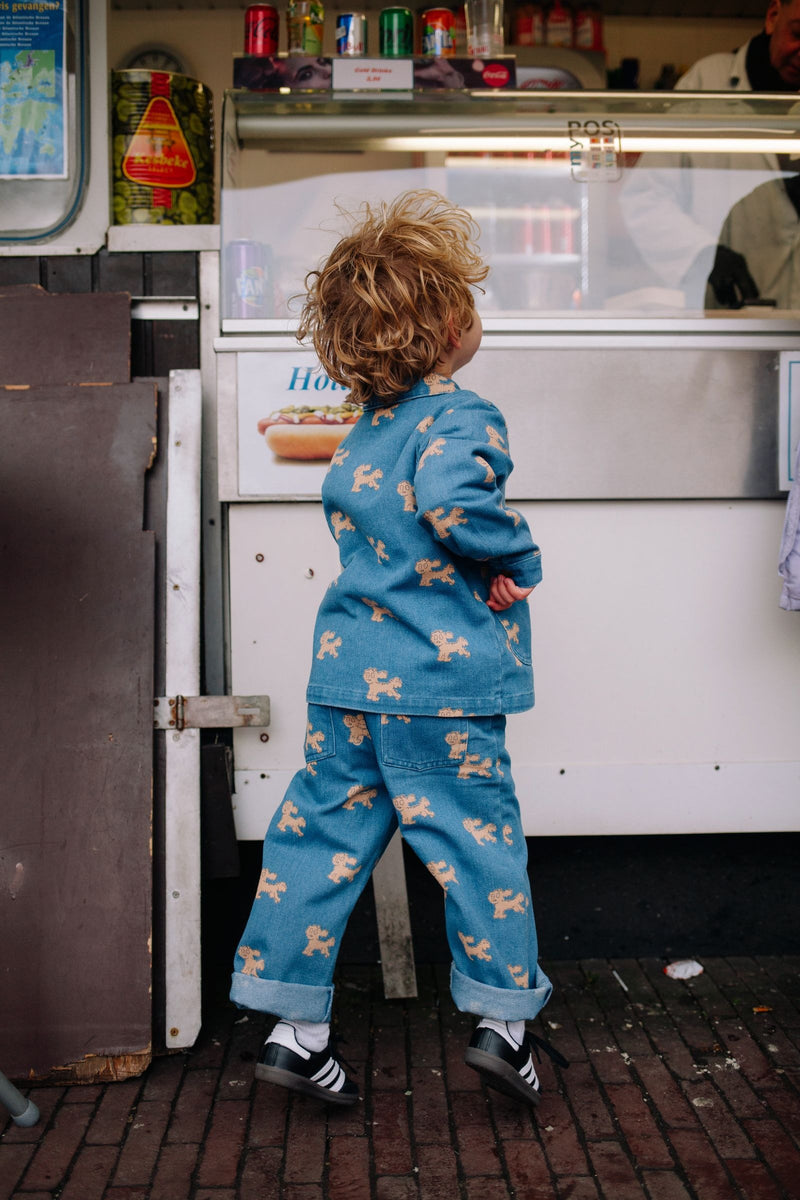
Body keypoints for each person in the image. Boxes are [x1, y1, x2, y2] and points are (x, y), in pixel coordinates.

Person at [230, 189, 565, 1108]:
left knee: (316, 841)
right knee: (477, 849)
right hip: (439, 692)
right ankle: (505, 1026)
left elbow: (401, 519)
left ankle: (295, 1031)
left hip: (346, 686)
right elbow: (457, 501)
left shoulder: (368, 427)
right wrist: (515, 557)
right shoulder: (460, 415)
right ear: (452, 320)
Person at [618, 0, 800, 307]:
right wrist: (702, 254)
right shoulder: (707, 85)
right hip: (728, 320)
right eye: (797, 34)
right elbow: (645, 197)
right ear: (772, 18)